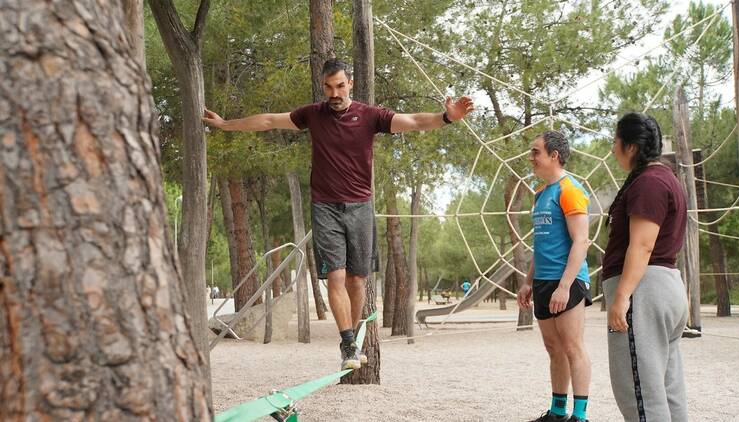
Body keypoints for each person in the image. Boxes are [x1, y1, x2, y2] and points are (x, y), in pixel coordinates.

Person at [202, 58, 474, 370]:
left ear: (350, 85)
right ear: (323, 87)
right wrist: (226, 124)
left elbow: (413, 121)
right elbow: (268, 121)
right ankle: (347, 344)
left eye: (340, 86)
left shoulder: (370, 116)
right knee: (336, 275)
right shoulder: (312, 115)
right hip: (325, 207)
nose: (335, 93)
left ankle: (354, 339)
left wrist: (447, 118)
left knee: (358, 280)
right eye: (329, 87)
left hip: (360, 207)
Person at [602, 112, 688, 421]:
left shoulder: (649, 182)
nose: (613, 149)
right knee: (667, 390)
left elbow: (642, 244)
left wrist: (622, 297)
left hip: (643, 291)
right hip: (664, 287)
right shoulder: (666, 179)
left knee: (641, 395)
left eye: (616, 142)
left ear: (632, 146)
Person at [517, 131, 593, 422]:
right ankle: (558, 412)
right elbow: (542, 243)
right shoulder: (540, 193)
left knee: (573, 347)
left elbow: (581, 241)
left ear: (554, 156)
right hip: (543, 281)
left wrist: (564, 286)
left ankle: (581, 416)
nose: (531, 157)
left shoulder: (570, 190)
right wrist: (528, 281)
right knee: (553, 348)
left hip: (568, 281)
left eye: (536, 151)